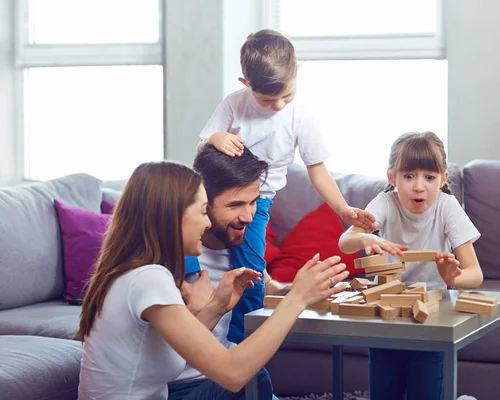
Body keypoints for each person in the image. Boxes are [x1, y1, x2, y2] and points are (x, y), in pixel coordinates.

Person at [77, 161, 349, 399]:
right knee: (253, 380)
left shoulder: (133, 272)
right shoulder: (149, 278)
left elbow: (169, 352)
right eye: (202, 211)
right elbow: (233, 374)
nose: (207, 224)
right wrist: (296, 299)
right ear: (172, 216)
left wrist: (217, 306)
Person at [194, 29, 376, 344]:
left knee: (249, 270)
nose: (278, 105)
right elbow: (200, 152)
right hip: (216, 198)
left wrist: (343, 210)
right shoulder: (234, 104)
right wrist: (213, 139)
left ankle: (241, 340)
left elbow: (318, 172)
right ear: (245, 84)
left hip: (258, 201)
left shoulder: (301, 116)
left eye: (286, 95)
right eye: (267, 99)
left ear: (298, 72)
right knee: (211, 260)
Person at [338, 131, 484, 400]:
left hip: (432, 317)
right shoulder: (384, 202)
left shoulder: (447, 206)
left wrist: (453, 278)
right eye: (408, 176)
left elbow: (475, 274)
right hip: (387, 313)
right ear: (391, 178)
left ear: (443, 179)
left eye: (429, 177)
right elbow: (344, 242)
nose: (419, 186)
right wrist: (364, 235)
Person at [169, 145, 286, 399]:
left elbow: (269, 288)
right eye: (235, 205)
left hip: (221, 380)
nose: (248, 216)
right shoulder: (174, 259)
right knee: (254, 378)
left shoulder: (241, 250)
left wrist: (305, 289)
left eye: (253, 202)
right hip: (181, 387)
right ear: (204, 203)